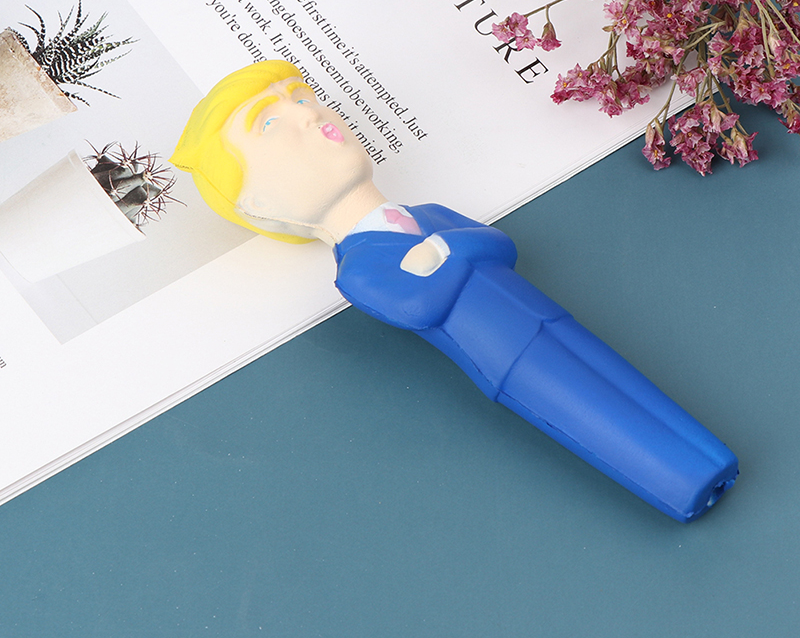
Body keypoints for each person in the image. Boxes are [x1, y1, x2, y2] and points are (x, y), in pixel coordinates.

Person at [171, 60, 739, 522]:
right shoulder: (358, 268)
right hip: (506, 359)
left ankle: (709, 453)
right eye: (271, 124)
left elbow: (495, 245)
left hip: (546, 316)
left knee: (621, 381)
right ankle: (685, 482)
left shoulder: (426, 215)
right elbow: (419, 304)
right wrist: (452, 254)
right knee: (594, 416)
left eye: (303, 97)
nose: (308, 113)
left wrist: (444, 253)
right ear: (260, 208)